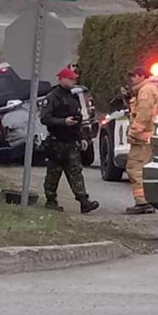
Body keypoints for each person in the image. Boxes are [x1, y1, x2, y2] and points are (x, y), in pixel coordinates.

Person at [40, 67, 99, 214]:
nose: (73, 81)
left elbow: (80, 119)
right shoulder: (53, 97)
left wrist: (83, 138)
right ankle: (51, 200)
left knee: (76, 172)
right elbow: (45, 118)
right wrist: (63, 122)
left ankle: (84, 201)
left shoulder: (74, 97)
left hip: (72, 141)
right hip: (56, 141)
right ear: (62, 79)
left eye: (74, 79)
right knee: (54, 173)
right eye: (70, 79)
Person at [124, 66, 158, 214]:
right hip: (148, 136)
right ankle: (146, 201)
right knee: (143, 169)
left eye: (134, 76)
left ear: (141, 76)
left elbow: (143, 114)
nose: (132, 79)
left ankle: (142, 202)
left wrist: (134, 132)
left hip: (142, 138)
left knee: (135, 168)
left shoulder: (145, 91)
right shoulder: (150, 88)